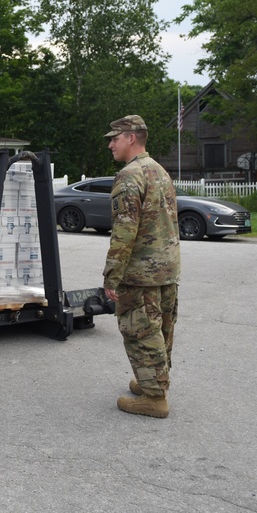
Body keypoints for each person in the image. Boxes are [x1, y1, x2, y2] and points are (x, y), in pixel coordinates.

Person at [102, 115, 181, 418]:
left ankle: (153, 397)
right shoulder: (159, 171)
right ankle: (155, 382)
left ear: (131, 138)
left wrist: (112, 276)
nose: (111, 144)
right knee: (161, 329)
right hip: (167, 270)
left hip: (141, 274)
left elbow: (124, 232)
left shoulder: (129, 175)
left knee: (141, 331)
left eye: (115, 138)